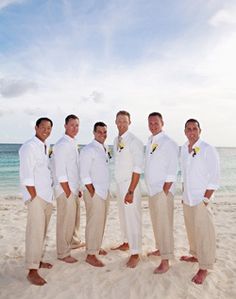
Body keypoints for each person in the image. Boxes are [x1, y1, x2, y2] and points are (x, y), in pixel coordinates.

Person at [180, 118, 220, 284]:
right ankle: (196, 255)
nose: (191, 132)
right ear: (185, 131)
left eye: (194, 129)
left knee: (205, 233)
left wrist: (205, 199)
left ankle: (205, 266)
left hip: (200, 199)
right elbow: (184, 174)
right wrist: (183, 194)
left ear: (200, 130)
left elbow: (215, 177)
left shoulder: (207, 149)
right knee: (192, 231)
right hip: (187, 198)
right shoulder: (183, 149)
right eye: (188, 129)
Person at [19, 117, 54, 286]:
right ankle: (32, 271)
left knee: (42, 232)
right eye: (43, 127)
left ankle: (37, 261)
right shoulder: (29, 147)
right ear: (36, 127)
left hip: (47, 197)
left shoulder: (44, 147)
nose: (46, 130)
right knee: (34, 233)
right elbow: (26, 174)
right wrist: (33, 196)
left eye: (49, 128)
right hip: (37, 198)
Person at [144, 112, 178, 274]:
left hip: (162, 192)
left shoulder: (168, 142)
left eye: (156, 123)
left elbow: (172, 170)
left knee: (164, 225)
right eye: (150, 123)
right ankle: (160, 249)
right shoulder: (151, 141)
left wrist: (164, 191)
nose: (153, 125)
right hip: (153, 191)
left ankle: (165, 261)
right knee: (157, 223)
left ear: (162, 122)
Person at [112, 110, 144, 268]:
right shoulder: (115, 140)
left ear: (129, 122)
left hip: (130, 185)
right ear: (115, 122)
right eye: (119, 121)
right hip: (119, 183)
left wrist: (131, 191)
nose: (122, 124)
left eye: (125, 121)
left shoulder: (134, 141)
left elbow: (138, 168)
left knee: (133, 218)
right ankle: (126, 242)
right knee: (123, 216)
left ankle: (135, 252)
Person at [52, 114, 82, 263]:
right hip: (65, 190)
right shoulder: (62, 144)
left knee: (74, 219)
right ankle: (63, 253)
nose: (74, 128)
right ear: (65, 126)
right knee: (65, 221)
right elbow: (60, 171)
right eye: (72, 125)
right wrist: (68, 191)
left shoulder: (73, 142)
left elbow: (74, 168)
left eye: (77, 125)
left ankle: (74, 242)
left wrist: (78, 188)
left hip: (73, 188)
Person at [80, 122, 110, 267]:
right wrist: (92, 191)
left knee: (101, 221)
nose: (102, 135)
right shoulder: (88, 149)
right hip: (95, 192)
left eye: (104, 132)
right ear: (94, 132)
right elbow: (84, 173)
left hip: (104, 191)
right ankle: (91, 254)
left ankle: (96, 247)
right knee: (94, 222)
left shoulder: (104, 148)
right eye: (99, 132)